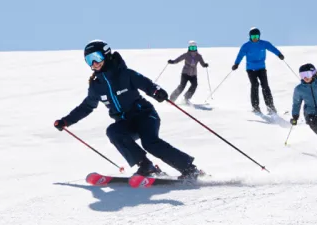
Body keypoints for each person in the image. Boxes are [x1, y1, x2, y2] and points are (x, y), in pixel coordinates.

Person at [54, 40, 204, 179]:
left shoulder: (125, 74)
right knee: (113, 131)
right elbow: (86, 107)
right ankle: (146, 166)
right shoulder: (96, 86)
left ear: (106, 54)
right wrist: (66, 121)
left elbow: (146, 84)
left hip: (145, 115)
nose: (94, 63)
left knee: (150, 142)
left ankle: (189, 169)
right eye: (89, 60)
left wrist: (156, 92)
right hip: (125, 122)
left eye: (96, 57)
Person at [231, 27, 284, 115]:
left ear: (259, 36)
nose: (255, 38)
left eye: (256, 36)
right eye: (253, 36)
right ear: (250, 37)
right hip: (251, 69)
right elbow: (240, 55)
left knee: (265, 86)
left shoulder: (264, 44)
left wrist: (279, 54)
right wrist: (236, 64)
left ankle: (270, 106)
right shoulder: (246, 46)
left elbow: (272, 48)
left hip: (261, 68)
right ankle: (255, 107)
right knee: (255, 85)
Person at [167, 40, 209, 104]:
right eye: (191, 48)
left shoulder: (198, 56)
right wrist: (172, 62)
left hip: (193, 74)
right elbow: (178, 59)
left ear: (196, 48)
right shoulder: (186, 55)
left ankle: (186, 98)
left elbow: (202, 63)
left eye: (194, 48)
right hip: (185, 73)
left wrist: (204, 65)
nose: (193, 49)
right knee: (182, 86)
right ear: (189, 48)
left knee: (194, 85)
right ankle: (172, 99)